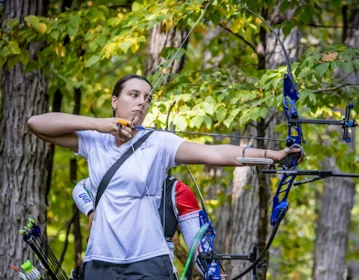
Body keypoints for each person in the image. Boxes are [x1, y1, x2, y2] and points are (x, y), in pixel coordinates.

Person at [28, 74, 304, 279]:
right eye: (133, 95)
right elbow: (37, 124)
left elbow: (215, 153)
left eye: (146, 98)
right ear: (115, 101)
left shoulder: (159, 142)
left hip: (149, 261)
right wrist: (99, 125)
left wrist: (274, 155)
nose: (141, 103)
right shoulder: (94, 140)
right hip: (100, 262)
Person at [72, 176, 205, 276]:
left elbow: (199, 248)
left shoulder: (177, 191)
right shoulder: (112, 177)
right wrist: (91, 211)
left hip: (152, 271)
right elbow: (81, 187)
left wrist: (214, 273)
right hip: (104, 267)